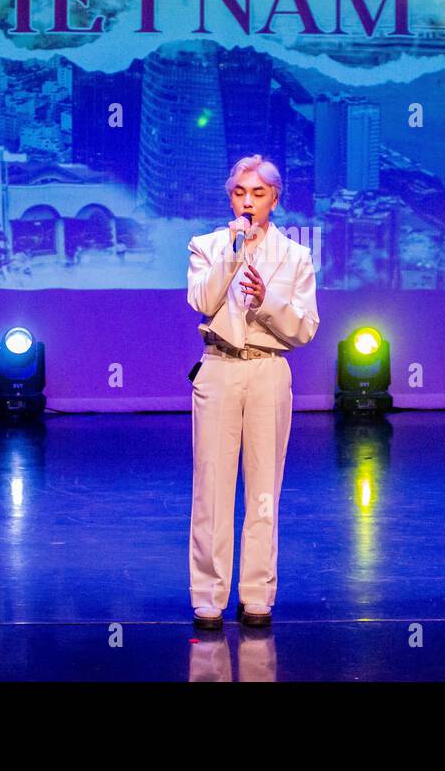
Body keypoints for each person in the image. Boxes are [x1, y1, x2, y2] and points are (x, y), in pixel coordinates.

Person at [186, 154, 320, 631]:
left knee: (264, 489)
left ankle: (257, 594)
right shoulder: (206, 245)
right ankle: (208, 596)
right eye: (240, 193)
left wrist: (267, 302)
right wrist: (231, 250)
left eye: (257, 194)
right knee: (212, 486)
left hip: (268, 370)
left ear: (274, 199)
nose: (247, 202)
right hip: (219, 366)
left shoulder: (296, 256)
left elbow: (304, 329)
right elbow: (202, 301)